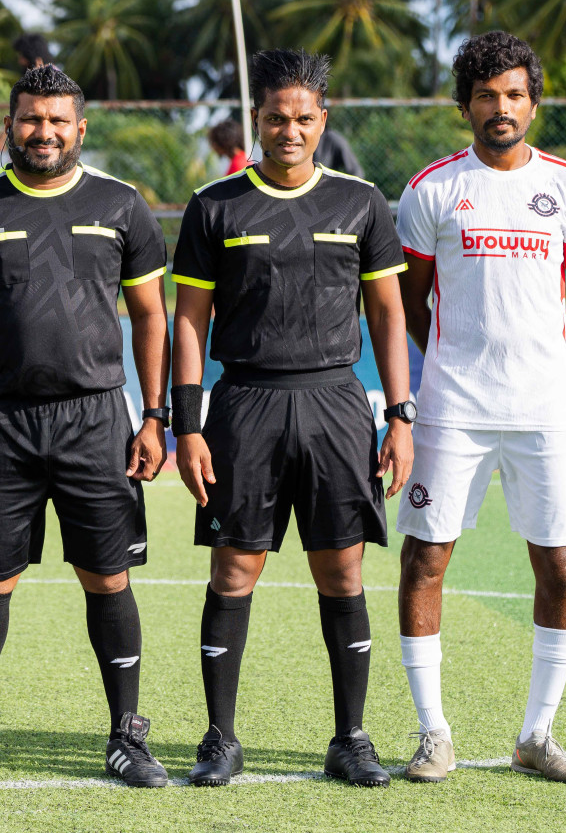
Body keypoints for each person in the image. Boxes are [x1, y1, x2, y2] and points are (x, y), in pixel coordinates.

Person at [170, 49, 413, 789]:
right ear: (258, 119)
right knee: (235, 568)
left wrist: (399, 414)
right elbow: (188, 321)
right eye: (276, 117)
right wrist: (187, 425)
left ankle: (351, 738)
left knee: (341, 570)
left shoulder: (362, 203)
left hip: (338, 404)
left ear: (322, 122)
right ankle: (220, 739)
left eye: (303, 118)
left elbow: (388, 314)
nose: (289, 130)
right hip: (244, 404)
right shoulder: (215, 206)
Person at [0, 64, 171, 791]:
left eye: (58, 121)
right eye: (31, 119)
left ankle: (125, 736)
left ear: (80, 129)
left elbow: (153, 316)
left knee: (108, 578)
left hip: (98, 417)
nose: (44, 133)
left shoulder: (122, 206)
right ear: (10, 124)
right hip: (1, 419)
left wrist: (153, 415)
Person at [394, 31, 566, 784]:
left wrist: (540, 352)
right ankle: (433, 733)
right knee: (426, 558)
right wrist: (453, 359)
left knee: (561, 565)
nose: (501, 107)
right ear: (466, 105)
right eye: (487, 95)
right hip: (453, 406)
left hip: (547, 410)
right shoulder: (431, 191)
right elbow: (410, 306)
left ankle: (537, 736)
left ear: (533, 102)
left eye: (514, 94)